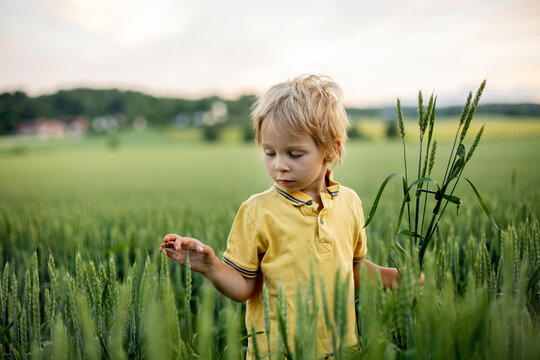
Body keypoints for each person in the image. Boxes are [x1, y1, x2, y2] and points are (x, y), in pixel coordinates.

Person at [160, 74, 400, 359]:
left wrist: (398, 279)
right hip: (277, 352)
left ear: (331, 151)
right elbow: (244, 287)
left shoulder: (350, 203)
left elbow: (353, 270)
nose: (279, 166)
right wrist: (211, 266)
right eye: (269, 152)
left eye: (294, 154)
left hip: (340, 350)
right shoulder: (256, 212)